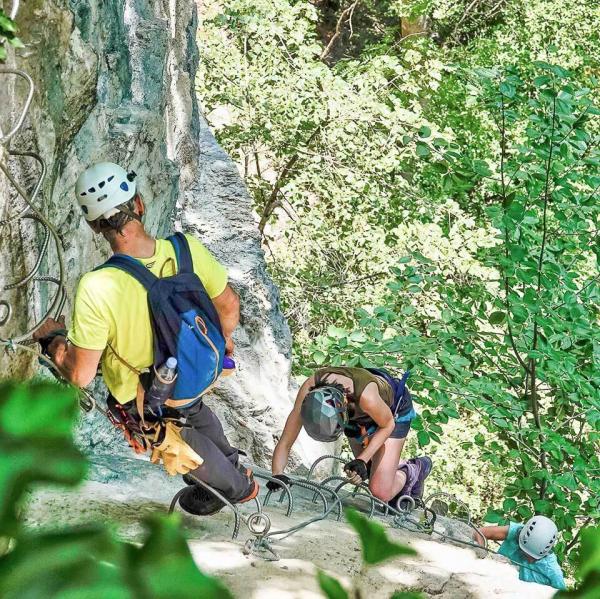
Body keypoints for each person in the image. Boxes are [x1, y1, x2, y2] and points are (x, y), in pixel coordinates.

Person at [33, 162, 258, 516]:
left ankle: (236, 486)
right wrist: (222, 344)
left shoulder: (98, 287)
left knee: (173, 438)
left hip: (146, 394)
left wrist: (53, 341)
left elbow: (80, 374)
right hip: (197, 367)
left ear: (94, 226)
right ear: (138, 203)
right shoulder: (186, 250)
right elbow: (229, 303)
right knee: (193, 409)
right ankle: (231, 468)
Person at [268, 365, 432, 504]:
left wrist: (361, 459)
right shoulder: (309, 393)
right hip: (355, 417)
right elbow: (285, 442)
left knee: (380, 492)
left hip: (392, 412)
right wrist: (277, 474)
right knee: (366, 471)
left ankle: (413, 469)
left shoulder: (367, 398)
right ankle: (387, 468)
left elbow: (388, 425)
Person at [475, 515, 566, 590]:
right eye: (526, 554)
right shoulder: (517, 532)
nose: (530, 560)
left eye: (534, 558)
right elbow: (481, 532)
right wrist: (482, 556)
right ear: (520, 538)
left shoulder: (552, 571)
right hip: (494, 583)